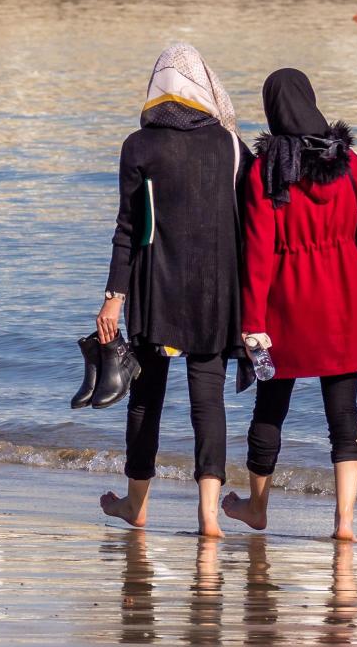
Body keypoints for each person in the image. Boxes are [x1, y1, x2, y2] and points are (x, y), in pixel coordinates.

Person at [222, 68, 357, 542]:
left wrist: (252, 322)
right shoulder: (349, 162)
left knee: (270, 408)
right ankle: (345, 523)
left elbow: (257, 253)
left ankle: (256, 508)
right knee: (344, 414)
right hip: (347, 300)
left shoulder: (263, 170)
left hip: (286, 305)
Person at [97, 43, 251, 537]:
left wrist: (113, 297)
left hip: (156, 289)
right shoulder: (231, 146)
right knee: (209, 399)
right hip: (215, 292)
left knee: (147, 398)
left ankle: (136, 504)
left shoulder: (139, 145)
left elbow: (128, 227)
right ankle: (209, 516)